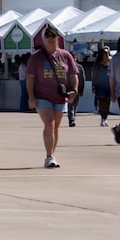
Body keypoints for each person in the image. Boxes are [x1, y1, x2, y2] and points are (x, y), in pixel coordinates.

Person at [25, 26, 78, 168]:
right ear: (43, 38)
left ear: (58, 38)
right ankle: (49, 156)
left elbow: (73, 74)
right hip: (42, 96)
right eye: (47, 36)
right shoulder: (36, 57)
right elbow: (30, 77)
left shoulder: (65, 55)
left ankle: (51, 155)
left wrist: (74, 90)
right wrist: (31, 96)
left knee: (56, 127)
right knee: (49, 124)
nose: (50, 38)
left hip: (60, 96)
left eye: (53, 36)